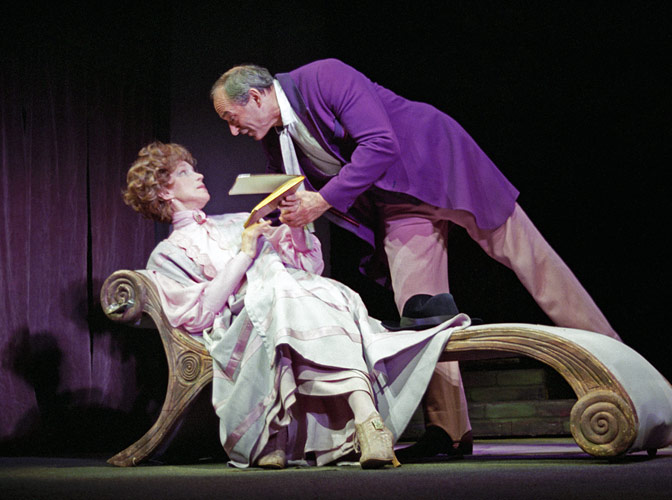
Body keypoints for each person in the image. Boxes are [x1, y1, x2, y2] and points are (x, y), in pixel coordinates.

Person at [210, 59, 623, 461]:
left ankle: (622, 374)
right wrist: (282, 209)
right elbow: (293, 184)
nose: (232, 130)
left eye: (232, 117)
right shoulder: (274, 138)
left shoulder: (324, 77)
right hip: (398, 202)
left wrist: (321, 201)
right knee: (422, 313)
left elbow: (380, 143)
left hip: (440, 164)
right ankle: (449, 430)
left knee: (534, 261)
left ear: (258, 96)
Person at [122, 141, 471, 469]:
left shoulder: (237, 221)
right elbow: (201, 314)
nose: (198, 175)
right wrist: (245, 253)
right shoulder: (168, 254)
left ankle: (354, 423)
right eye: (184, 173)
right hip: (242, 322)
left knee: (322, 290)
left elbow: (307, 267)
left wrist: (296, 225)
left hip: (292, 302)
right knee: (287, 293)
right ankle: (361, 418)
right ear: (163, 191)